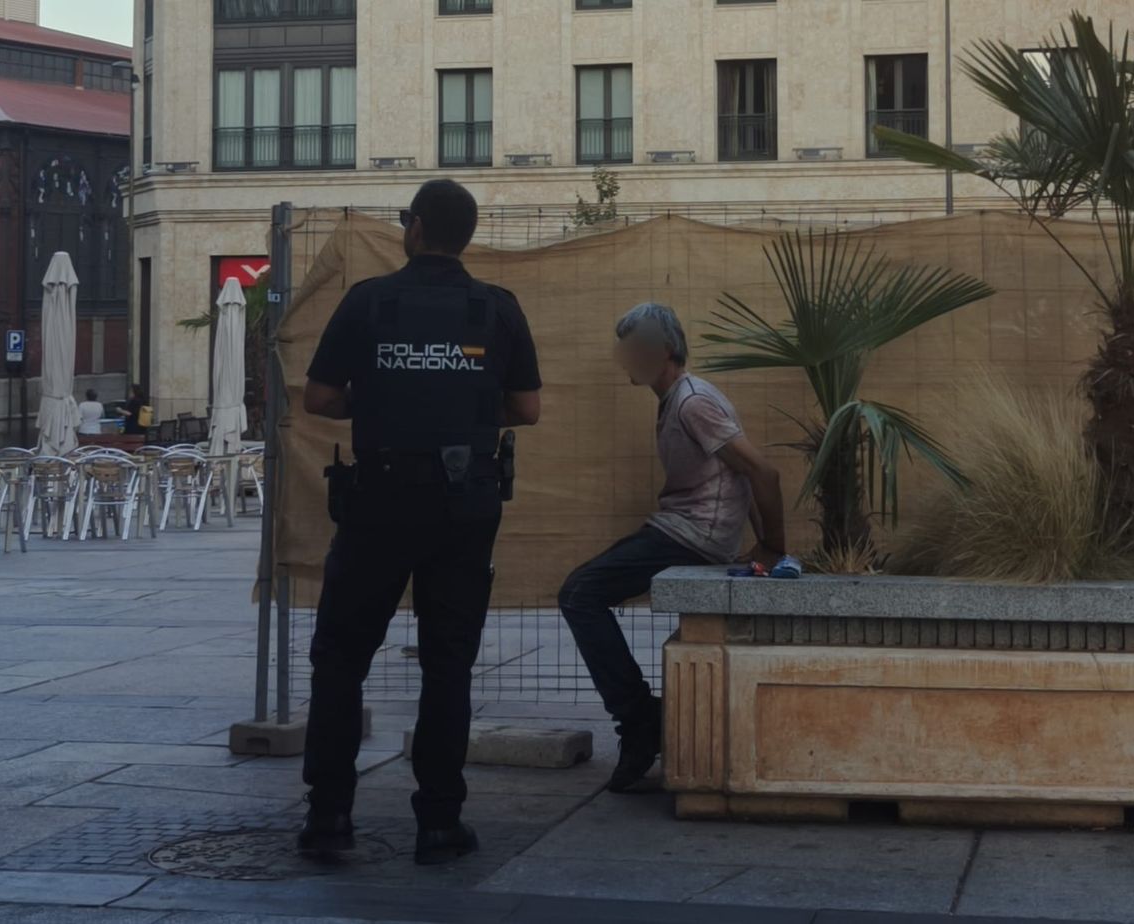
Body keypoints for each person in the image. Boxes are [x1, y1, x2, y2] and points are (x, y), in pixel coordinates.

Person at [298, 178, 541, 865]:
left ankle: (328, 818)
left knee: (340, 659)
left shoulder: (369, 300)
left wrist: (379, 399)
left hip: (378, 501)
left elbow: (319, 397)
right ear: (464, 236)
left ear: (414, 228)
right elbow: (527, 408)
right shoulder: (496, 308)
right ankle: (439, 822)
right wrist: (461, 403)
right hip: (464, 507)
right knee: (448, 664)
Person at [557, 303, 787, 793]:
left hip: (692, 536)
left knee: (579, 594)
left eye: (633, 348)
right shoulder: (677, 399)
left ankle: (640, 721)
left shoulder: (692, 402)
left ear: (662, 351)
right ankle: (642, 717)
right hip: (685, 530)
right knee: (581, 592)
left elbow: (763, 473)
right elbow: (739, 475)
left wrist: (770, 547)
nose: (625, 358)